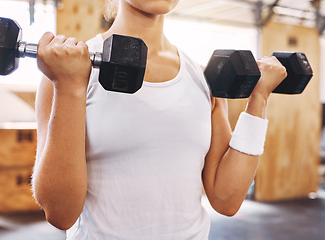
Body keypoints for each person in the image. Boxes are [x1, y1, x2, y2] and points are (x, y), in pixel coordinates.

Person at [32, 0, 287, 239]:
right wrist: (69, 87)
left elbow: (226, 200)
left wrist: (259, 99)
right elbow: (60, 213)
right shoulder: (71, 70)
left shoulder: (201, 78)